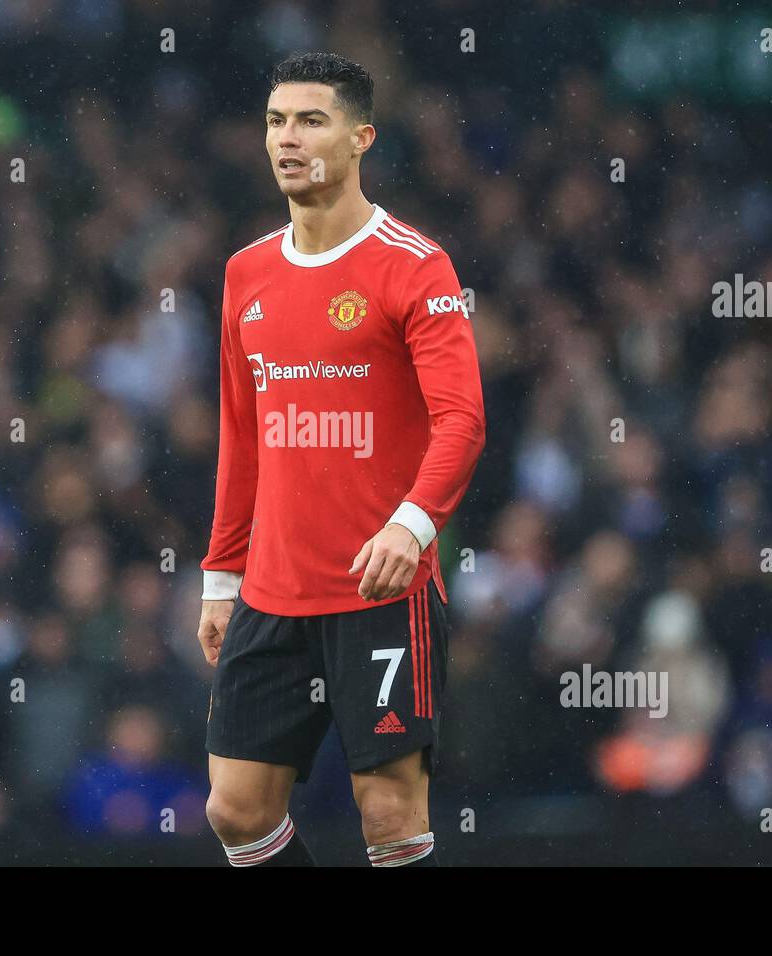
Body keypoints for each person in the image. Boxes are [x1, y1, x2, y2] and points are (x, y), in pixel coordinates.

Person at [196, 51, 486, 867]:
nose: (287, 139)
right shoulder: (244, 273)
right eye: (275, 121)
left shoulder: (415, 265)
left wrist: (413, 526)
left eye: (310, 120)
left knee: (389, 813)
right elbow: (241, 435)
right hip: (272, 593)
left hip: (378, 591)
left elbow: (461, 421)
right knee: (235, 810)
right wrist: (223, 576)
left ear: (361, 137)